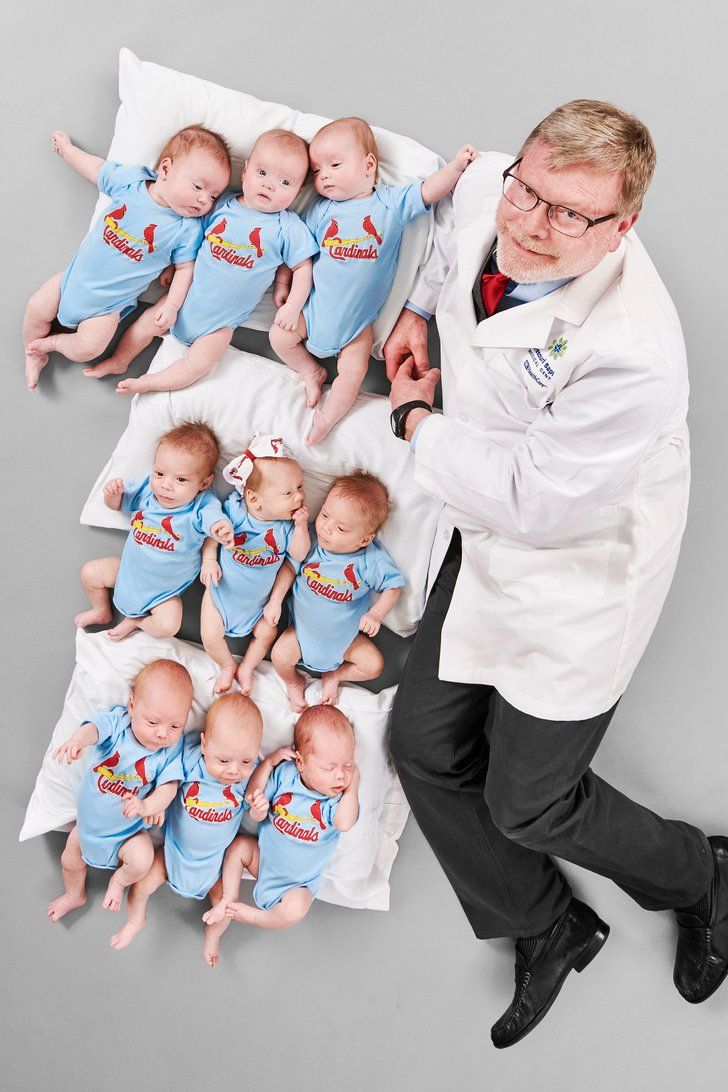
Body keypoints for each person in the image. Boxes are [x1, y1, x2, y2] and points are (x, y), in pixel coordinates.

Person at [384, 99, 728, 1049]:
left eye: (568, 215)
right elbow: (454, 250)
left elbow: (538, 506)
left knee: (528, 800)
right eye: (527, 191)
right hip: (483, 519)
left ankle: (704, 875)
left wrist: (413, 420)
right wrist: (416, 312)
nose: (529, 226)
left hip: (580, 563)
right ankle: (547, 921)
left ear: (623, 228)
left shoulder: (634, 354)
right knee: (419, 749)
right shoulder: (501, 187)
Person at [270, 116, 478, 444]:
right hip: (311, 314)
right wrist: (283, 284)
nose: (323, 175)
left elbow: (428, 191)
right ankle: (311, 372)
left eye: (335, 164)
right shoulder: (321, 211)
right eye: (316, 171)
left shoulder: (389, 204)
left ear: (369, 166)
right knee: (279, 337)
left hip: (357, 328)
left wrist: (456, 168)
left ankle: (326, 419)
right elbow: (297, 252)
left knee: (353, 373)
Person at [92, 130, 318, 395]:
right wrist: (170, 266)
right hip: (183, 298)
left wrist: (292, 305)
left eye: (285, 182)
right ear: (245, 171)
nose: (269, 185)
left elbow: (303, 267)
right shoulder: (221, 204)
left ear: (298, 191)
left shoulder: (288, 227)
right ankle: (121, 360)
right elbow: (189, 241)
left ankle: (149, 383)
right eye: (262, 173)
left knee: (199, 363)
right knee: (145, 324)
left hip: (219, 325)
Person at [23, 125, 231, 390]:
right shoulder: (131, 184)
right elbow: (97, 170)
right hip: (68, 284)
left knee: (90, 347)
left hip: (106, 309)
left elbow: (185, 270)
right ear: (166, 170)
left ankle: (51, 344)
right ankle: (33, 354)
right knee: (36, 308)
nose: (204, 200)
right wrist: (68, 151)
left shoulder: (186, 229)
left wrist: (172, 306)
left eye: (213, 196)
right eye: (199, 187)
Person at [108, 693, 268, 965]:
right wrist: (158, 804)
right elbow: (168, 782)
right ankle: (136, 920)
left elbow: (253, 809)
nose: (233, 771)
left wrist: (258, 810)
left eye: (245, 761)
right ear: (204, 744)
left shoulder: (249, 780)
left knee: (225, 906)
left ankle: (213, 935)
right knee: (140, 888)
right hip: (172, 854)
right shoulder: (190, 759)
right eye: (224, 760)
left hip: (216, 865)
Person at [47, 659, 192, 923]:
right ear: (132, 706)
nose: (162, 734)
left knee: (143, 858)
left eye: (175, 726)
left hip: (128, 834)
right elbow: (94, 728)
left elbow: (169, 786)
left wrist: (148, 806)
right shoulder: (118, 724)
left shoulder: (170, 751)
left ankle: (119, 881)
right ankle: (74, 894)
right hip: (87, 829)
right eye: (153, 722)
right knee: (70, 860)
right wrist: (78, 740)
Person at [201, 704, 359, 942]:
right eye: (329, 767)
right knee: (239, 847)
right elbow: (253, 796)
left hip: (297, 885)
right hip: (262, 861)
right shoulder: (285, 777)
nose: (340, 775)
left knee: (298, 907)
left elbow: (344, 823)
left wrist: (353, 784)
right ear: (300, 763)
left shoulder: (335, 800)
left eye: (348, 765)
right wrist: (266, 772)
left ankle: (256, 917)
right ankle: (228, 899)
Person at [75, 421, 233, 640]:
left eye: (180, 479)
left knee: (168, 626)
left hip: (164, 593)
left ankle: (136, 621)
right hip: (127, 574)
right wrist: (112, 494)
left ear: (204, 483)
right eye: (159, 473)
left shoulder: (201, 505)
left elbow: (213, 519)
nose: (165, 485)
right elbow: (117, 504)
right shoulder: (146, 492)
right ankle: (101, 611)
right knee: (90, 573)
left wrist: (219, 527)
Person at [270, 471, 404, 711]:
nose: (326, 528)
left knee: (374, 665)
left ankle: (335, 676)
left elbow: (393, 586)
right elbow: (290, 567)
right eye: (324, 515)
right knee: (280, 656)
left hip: (346, 641)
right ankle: (293, 683)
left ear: (364, 539)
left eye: (341, 529)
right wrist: (275, 600)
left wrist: (376, 614)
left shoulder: (370, 559)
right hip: (301, 633)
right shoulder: (310, 539)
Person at [200, 434, 311, 695]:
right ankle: (227, 665)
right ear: (253, 499)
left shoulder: (286, 528)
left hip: (260, 606)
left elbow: (296, 558)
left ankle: (247, 667)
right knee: (210, 635)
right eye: (287, 493)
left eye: (300, 487)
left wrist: (302, 527)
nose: (298, 497)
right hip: (220, 596)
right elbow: (213, 533)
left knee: (266, 633)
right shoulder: (236, 513)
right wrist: (209, 559)